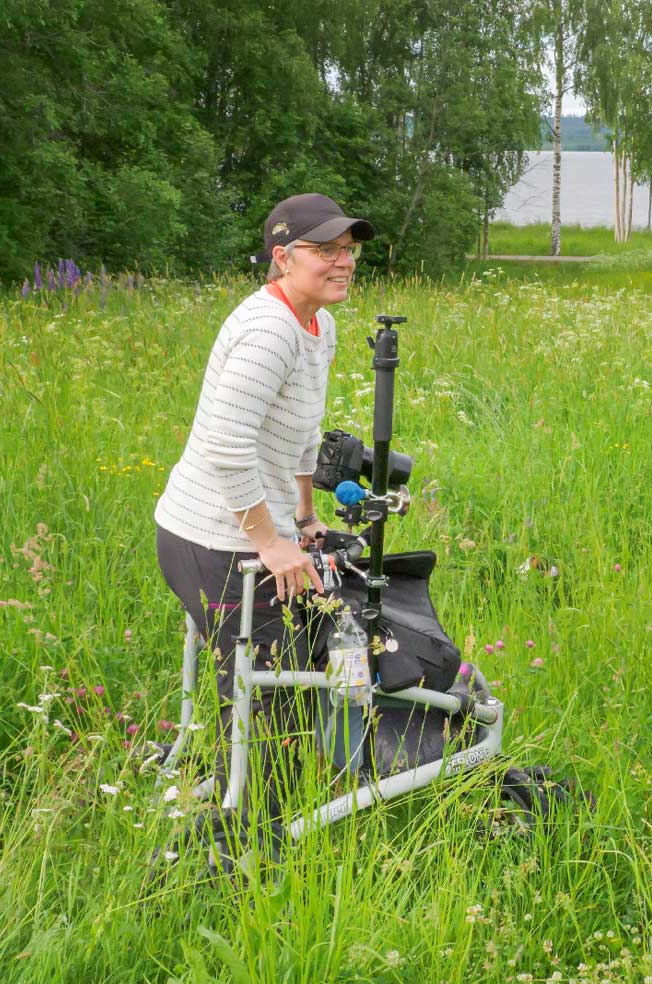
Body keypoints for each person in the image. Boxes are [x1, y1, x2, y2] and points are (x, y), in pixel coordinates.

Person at [154, 193, 374, 805]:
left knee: (283, 674)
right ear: (282, 257)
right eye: (325, 250)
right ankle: (244, 837)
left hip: (247, 531)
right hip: (211, 539)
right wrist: (270, 542)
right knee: (269, 696)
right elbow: (226, 445)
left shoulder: (318, 324)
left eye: (348, 250)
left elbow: (305, 436)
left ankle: (227, 786)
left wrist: (303, 519)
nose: (343, 262)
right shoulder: (268, 330)